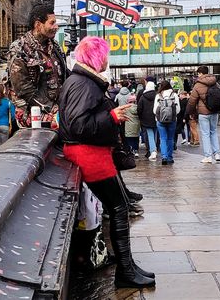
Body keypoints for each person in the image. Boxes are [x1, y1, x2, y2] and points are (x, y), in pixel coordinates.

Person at [59, 36, 155, 289]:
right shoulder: (84, 85)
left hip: (93, 154)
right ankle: (125, 272)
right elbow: (79, 125)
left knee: (120, 206)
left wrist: (109, 117)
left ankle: (129, 266)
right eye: (105, 56)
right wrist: (111, 116)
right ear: (96, 57)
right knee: (120, 208)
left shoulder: (80, 81)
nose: (107, 61)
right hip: (90, 155)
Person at [7, 0, 68, 128]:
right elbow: (24, 89)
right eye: (52, 22)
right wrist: (52, 110)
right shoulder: (20, 49)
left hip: (57, 115)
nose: (56, 26)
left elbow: (64, 77)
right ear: (38, 24)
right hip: (33, 117)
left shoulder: (55, 47)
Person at [186, 65, 220, 163]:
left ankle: (208, 156)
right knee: (213, 132)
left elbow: (192, 101)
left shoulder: (198, 85)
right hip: (214, 111)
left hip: (203, 113)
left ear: (200, 73)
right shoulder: (215, 82)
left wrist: (190, 113)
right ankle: (217, 154)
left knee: (205, 134)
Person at [153, 80, 180, 165]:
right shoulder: (174, 95)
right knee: (170, 139)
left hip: (160, 120)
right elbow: (178, 109)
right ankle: (169, 157)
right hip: (172, 120)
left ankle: (164, 157)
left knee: (163, 138)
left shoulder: (158, 95)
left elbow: (154, 110)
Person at [137, 80, 157, 161]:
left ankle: (153, 151)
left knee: (150, 135)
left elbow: (139, 109)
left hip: (146, 119)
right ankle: (156, 149)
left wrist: (140, 117)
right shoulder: (157, 96)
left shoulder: (143, 96)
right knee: (155, 135)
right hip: (156, 118)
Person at [0, 84, 15, 149]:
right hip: (5, 126)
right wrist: (9, 122)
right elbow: (13, 115)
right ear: (2, 92)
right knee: (3, 147)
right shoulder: (8, 102)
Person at [124, 93, 140, 157]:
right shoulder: (138, 108)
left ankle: (130, 150)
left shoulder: (126, 108)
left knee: (129, 139)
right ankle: (136, 150)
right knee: (136, 138)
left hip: (128, 126)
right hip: (136, 126)